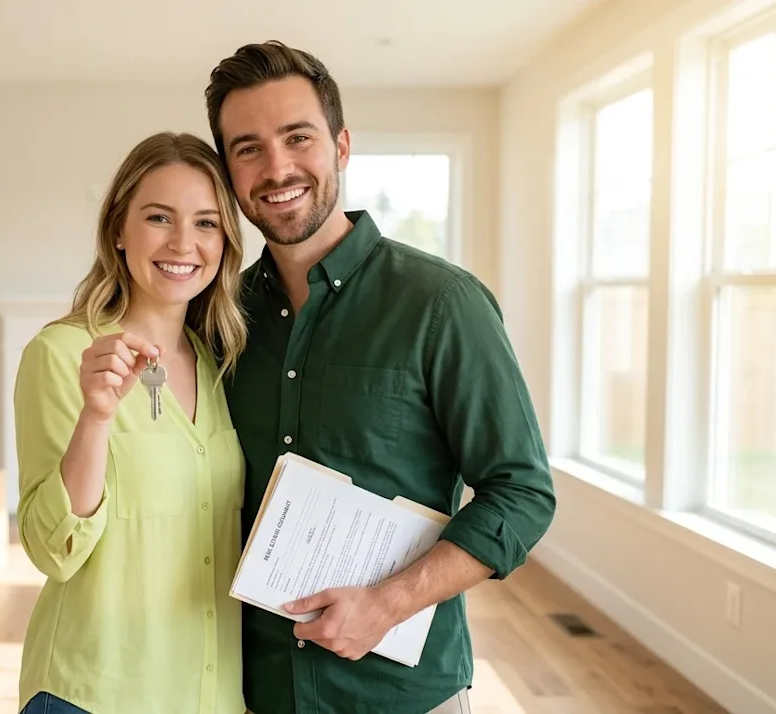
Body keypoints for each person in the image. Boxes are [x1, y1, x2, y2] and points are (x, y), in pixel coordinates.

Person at [203, 41, 557, 714]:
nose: (276, 167)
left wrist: (388, 603)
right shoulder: (220, 319)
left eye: (296, 137)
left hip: (400, 695)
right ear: (227, 170)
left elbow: (522, 492)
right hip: (251, 689)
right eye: (247, 148)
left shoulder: (442, 304)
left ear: (340, 145)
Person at [12, 131, 250, 714]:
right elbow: (52, 551)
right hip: (94, 694)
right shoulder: (62, 354)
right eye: (158, 217)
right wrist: (96, 417)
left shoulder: (222, 364)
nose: (182, 243)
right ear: (119, 230)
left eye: (206, 223)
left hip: (207, 697)